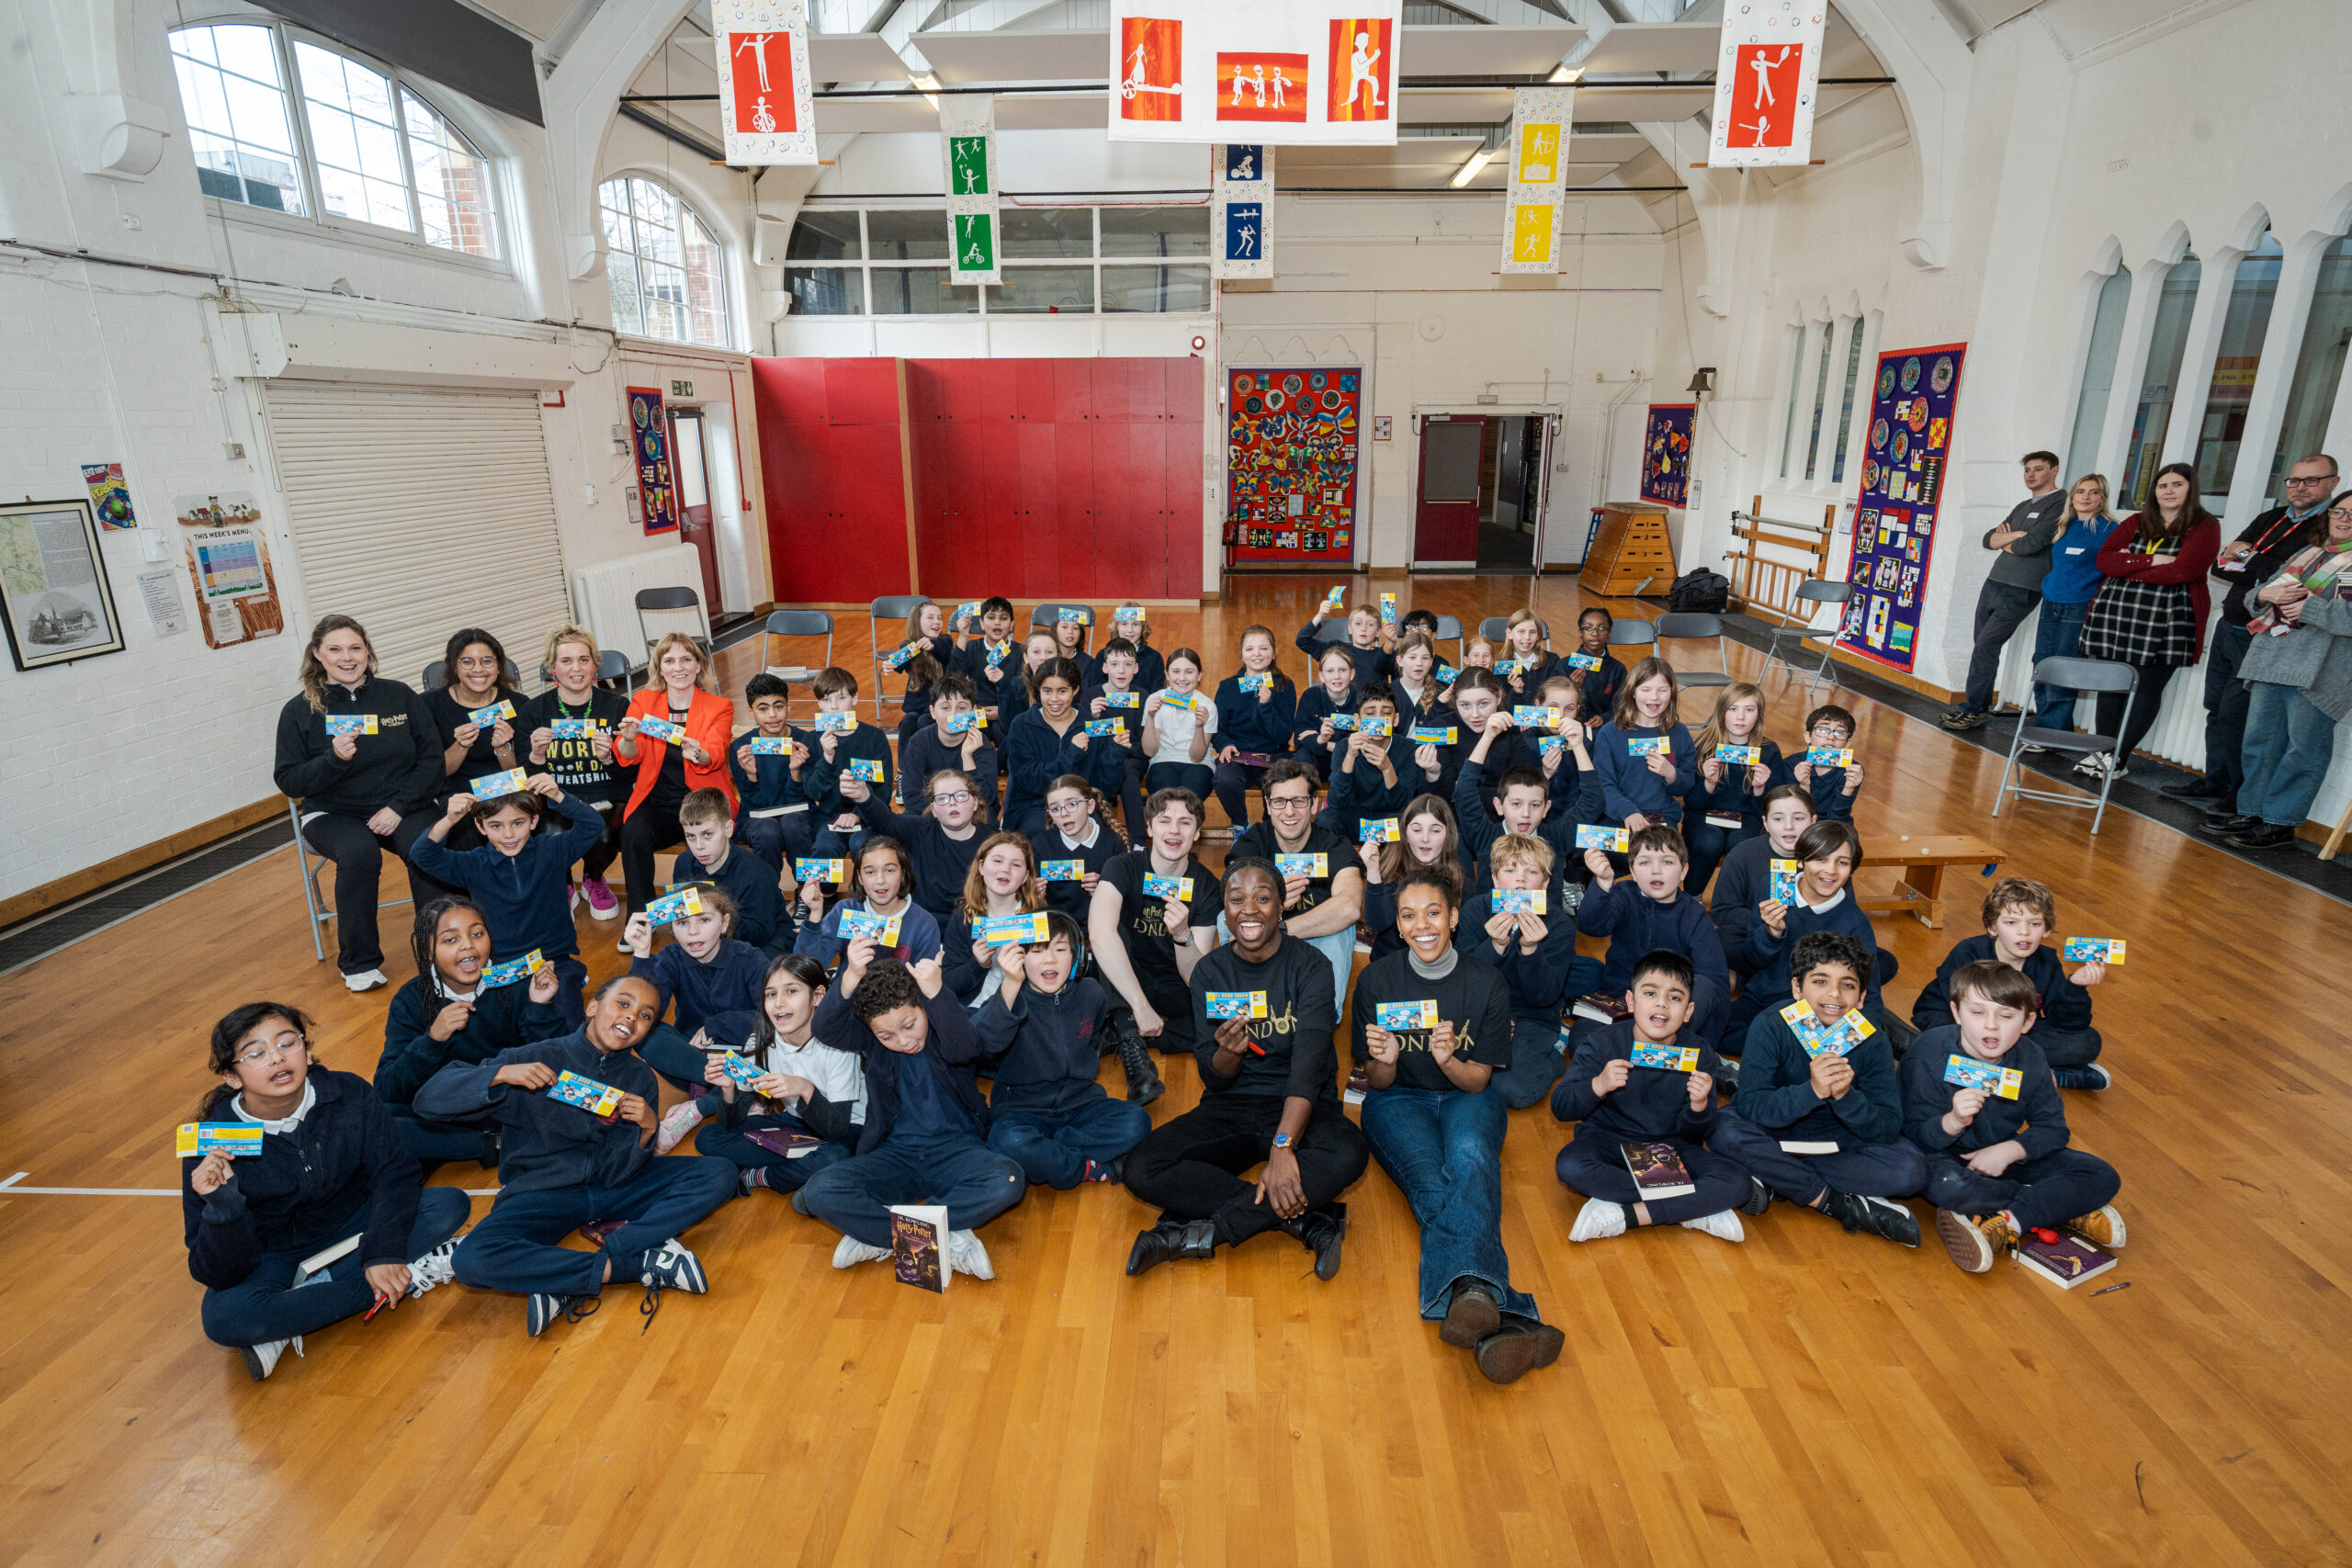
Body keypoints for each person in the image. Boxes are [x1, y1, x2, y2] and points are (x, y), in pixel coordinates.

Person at [417, 975, 734, 1334]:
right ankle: (633, 1265)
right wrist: (500, 1075)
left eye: (646, 1016)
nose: (632, 1018)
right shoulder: (534, 1058)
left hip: (611, 1189)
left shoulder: (638, 1079)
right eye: (624, 1004)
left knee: (718, 1171)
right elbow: (428, 1102)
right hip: (542, 1194)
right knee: (471, 1260)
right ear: (593, 1007)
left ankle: (575, 1270)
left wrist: (648, 1131)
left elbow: (619, 1172)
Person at [1354, 867, 1565, 1383]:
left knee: (1470, 1161)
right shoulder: (1377, 980)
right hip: (1397, 1099)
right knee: (1433, 1183)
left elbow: (1476, 1082)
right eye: (1408, 915)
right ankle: (1503, 1308)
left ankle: (1474, 1300)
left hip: (1466, 1092)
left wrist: (1448, 1061)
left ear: (1453, 917)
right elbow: (1378, 1083)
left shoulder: (1485, 981)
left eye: (1433, 913)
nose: (1422, 925)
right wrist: (1386, 1059)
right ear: (1397, 925)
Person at [184, 1002, 469, 1380]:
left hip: (355, 1224)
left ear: (306, 1049)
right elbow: (214, 1271)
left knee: (448, 1204)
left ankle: (290, 1316)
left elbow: (394, 1172)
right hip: (272, 1252)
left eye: (288, 1043)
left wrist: (382, 1249)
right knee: (224, 1318)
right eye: (256, 1054)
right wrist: (223, 1207)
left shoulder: (348, 1092)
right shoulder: (210, 1141)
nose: (277, 1059)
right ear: (232, 1077)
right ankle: (406, 1274)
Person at [1123, 859, 1370, 1278]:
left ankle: (1188, 1237)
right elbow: (1213, 1075)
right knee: (1141, 1167)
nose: (1249, 910)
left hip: (1303, 1105)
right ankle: (1304, 1220)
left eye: (1262, 898)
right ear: (1225, 909)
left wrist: (1283, 1146)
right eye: (1237, 900)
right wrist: (1228, 1054)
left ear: (1280, 907)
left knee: (1349, 1152)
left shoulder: (1312, 967)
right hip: (1232, 1105)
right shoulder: (1210, 971)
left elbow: (1310, 1068)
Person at [797, 957, 1028, 1280]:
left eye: (908, 1025)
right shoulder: (871, 1042)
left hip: (957, 1152)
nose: (903, 1041)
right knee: (819, 1190)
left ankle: (882, 1234)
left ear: (923, 1007)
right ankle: (947, 1235)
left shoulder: (945, 1027)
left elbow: (966, 1047)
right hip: (896, 1157)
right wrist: (849, 977)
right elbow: (825, 1027)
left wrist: (937, 993)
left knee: (1008, 1180)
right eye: (887, 1036)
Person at [1900, 962, 2124, 1274]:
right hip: (1943, 1157)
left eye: (2006, 1016)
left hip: (2004, 1157)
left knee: (2102, 1174)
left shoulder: (2030, 1056)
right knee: (1947, 1185)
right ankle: (2055, 1206)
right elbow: (1912, 1134)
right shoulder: (1928, 1052)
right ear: (1956, 1013)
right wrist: (1952, 1120)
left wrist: (2010, 1150)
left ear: (2028, 1021)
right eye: (1977, 1013)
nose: (1991, 1026)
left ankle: (2011, 1220)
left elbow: (2053, 1129)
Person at [1710, 931, 1924, 1246]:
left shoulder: (1873, 1041)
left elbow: (1888, 1126)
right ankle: (1833, 1201)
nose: (1834, 994)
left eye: (1847, 985)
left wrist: (1844, 1096)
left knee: (1912, 1170)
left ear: (1862, 997)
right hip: (1776, 1134)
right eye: (1820, 981)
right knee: (1721, 1129)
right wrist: (1811, 1091)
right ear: (1797, 987)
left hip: (1838, 1145)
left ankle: (1777, 1179)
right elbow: (1753, 1106)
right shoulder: (1771, 1024)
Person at [272, 615, 447, 990]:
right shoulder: (300, 710)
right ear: (318, 654)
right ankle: (360, 963)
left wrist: (398, 806)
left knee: (427, 847)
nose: (347, 658)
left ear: (367, 650)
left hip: (402, 804)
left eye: (355, 648)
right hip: (334, 813)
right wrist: (333, 759)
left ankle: (443, 952)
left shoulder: (398, 695)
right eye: (334, 649)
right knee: (359, 853)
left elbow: (432, 761)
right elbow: (289, 780)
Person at [2167, 453, 2340, 805]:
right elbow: (2220, 566)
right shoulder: (2271, 518)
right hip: (2230, 623)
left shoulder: (2324, 529)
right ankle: (2216, 780)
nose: (2300, 488)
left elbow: (2288, 579)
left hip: (2262, 634)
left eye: (2312, 480)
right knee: (2216, 706)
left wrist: (2248, 558)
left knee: (2239, 715)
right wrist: (2254, 564)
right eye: (2294, 480)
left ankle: (2237, 794)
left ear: (2332, 484)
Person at [1550, 951, 1750, 1243]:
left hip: (1671, 1147)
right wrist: (1598, 1084)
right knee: (1570, 1165)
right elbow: (1560, 1106)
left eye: (1675, 997)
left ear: (1689, 1011)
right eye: (1650, 993)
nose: (1661, 1003)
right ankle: (1694, 1207)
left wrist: (1699, 1106)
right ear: (1631, 1001)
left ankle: (1628, 1213)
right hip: (1609, 1143)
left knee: (1739, 1182)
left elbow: (1697, 1134)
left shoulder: (1699, 1053)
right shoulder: (1602, 1043)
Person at [2208, 488, 2352, 851]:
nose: (2345, 518)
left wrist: (2309, 609)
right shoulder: (2308, 552)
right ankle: (2252, 811)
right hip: (2273, 658)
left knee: (2302, 751)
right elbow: (2258, 598)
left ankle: (2280, 822)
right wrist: (2262, 596)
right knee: (2259, 743)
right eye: (2340, 511)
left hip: (2320, 670)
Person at [379, 897, 569, 1164]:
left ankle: (477, 1144)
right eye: (450, 940)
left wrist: (540, 1005)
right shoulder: (411, 999)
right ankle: (496, 1145)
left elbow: (560, 1062)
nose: (468, 945)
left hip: (509, 1102)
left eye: (477, 934)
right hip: (447, 1108)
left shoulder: (517, 982)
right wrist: (433, 1039)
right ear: (427, 950)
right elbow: (388, 1087)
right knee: (375, 1116)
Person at [974, 911, 1153, 1188]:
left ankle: (1051, 1152)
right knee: (1009, 1140)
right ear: (1020, 958)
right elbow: (983, 1044)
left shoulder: (1092, 993)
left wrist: (1046, 1148)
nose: (1050, 959)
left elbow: (1092, 1035)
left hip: (1081, 1103)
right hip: (1022, 1109)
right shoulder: (1010, 998)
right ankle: (1086, 1168)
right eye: (1037, 951)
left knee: (1136, 1121)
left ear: (1077, 958)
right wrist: (1010, 984)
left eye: (1061, 949)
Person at [408, 774, 608, 1022]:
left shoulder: (553, 851)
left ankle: (573, 981)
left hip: (553, 960)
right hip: (499, 967)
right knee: (501, 1031)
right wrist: (449, 819)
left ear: (534, 820)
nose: (509, 835)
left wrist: (557, 795)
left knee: (566, 1024)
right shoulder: (474, 864)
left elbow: (592, 824)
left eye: (518, 823)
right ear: (480, 826)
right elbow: (422, 854)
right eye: (496, 826)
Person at [2075, 461, 2223, 782]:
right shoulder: (2136, 521)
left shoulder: (2205, 526)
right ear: (2154, 492)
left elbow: (2184, 571)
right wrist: (2151, 559)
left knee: (2146, 687)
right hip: (2117, 615)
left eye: (2177, 485)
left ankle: (2118, 756)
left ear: (2190, 489)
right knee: (2112, 685)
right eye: (2162, 486)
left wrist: (2129, 566)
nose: (2168, 491)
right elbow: (2105, 561)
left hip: (2167, 618)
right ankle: (2101, 750)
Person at [693, 953, 865, 1197]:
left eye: (791, 991)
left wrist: (806, 1089)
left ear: (818, 996)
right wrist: (729, 1089)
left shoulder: (837, 1045)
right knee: (708, 1136)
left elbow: (836, 1129)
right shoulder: (759, 1040)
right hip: (797, 1124)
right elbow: (731, 1121)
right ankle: (803, 1168)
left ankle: (763, 1176)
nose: (779, 1003)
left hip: (848, 1126)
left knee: (836, 1155)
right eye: (771, 994)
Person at [1910, 877, 2109, 1088]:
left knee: (2088, 1040)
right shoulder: (1968, 952)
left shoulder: (2046, 961)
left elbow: (2068, 1024)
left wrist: (2075, 987)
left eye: (2034, 924)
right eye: (2011, 923)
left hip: (2009, 1030)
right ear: (1993, 927)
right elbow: (1956, 1009)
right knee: (1942, 1042)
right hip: (1956, 1021)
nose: (2024, 932)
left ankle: (2000, 1073)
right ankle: (2037, 1075)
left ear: (2047, 930)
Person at [1460, 834, 1595, 1110]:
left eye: (1531, 872)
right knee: (1450, 1072)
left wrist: (1530, 951)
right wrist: (1495, 946)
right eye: (1510, 870)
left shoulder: (1558, 925)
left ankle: (1555, 1052)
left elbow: (1543, 997)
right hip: (1481, 1011)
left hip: (1532, 1016)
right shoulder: (1474, 911)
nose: (1520, 880)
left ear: (1545, 884)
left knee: (1511, 1090)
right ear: (1496, 880)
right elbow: (1465, 983)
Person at [615, 633, 738, 927]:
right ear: (659, 668)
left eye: (686, 659)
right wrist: (629, 739)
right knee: (633, 831)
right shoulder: (644, 701)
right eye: (669, 660)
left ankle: (712, 916)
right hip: (658, 804)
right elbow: (628, 755)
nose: (678, 667)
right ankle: (639, 920)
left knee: (704, 840)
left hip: (702, 802)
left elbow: (716, 753)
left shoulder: (719, 706)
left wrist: (698, 754)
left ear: (698, 666)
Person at [1727, 818, 1883, 1049]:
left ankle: (1782, 1049)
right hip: (1765, 997)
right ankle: (1784, 1048)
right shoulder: (1774, 889)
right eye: (1820, 859)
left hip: (1818, 1008)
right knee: (1720, 1031)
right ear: (1800, 860)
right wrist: (1772, 932)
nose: (1830, 870)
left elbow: (1869, 990)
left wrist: (1869, 1033)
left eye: (1842, 862)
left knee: (1834, 1044)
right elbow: (1754, 957)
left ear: (1851, 869)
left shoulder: (1854, 922)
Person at [1091, 787, 1221, 1056]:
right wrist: (1140, 1005)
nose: (1174, 831)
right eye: (1164, 821)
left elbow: (1197, 979)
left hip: (1174, 983)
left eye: (1185, 823)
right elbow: (1099, 933)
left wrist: (1183, 935)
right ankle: (1131, 1022)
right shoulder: (1121, 866)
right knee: (1108, 940)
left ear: (1196, 833)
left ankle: (1129, 1033)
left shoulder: (1207, 885)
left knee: (1221, 1021)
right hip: (1125, 975)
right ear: (1149, 828)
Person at [1944, 450, 2068, 731]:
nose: (2031, 475)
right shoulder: (2024, 505)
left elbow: (2032, 544)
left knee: (1987, 645)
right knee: (1982, 647)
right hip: (1995, 581)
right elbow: (1989, 539)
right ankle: (1978, 707)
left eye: (2038, 469)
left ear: (2054, 470)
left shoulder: (2061, 503)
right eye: (2027, 470)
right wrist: (2014, 535)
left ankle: (1975, 709)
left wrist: (2010, 540)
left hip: (2022, 588)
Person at [1576, 826, 1730, 1050]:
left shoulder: (1694, 915)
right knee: (1582, 1040)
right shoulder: (1624, 894)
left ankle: (1662, 1053)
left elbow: (1715, 983)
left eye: (1667, 862)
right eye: (1645, 863)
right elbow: (1591, 926)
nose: (1656, 871)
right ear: (1633, 870)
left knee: (1705, 987)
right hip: (1622, 999)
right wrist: (1603, 883)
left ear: (1684, 871)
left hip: (1668, 1010)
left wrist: (1705, 1051)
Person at [1227, 760, 1363, 1011]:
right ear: (1268, 804)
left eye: (1299, 801)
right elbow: (1234, 898)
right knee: (1225, 920)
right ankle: (1247, 1014)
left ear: (1313, 804)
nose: (1289, 812)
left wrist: (1279, 928)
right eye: (1279, 801)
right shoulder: (1252, 842)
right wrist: (1274, 903)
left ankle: (1319, 1019)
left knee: (1342, 930)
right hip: (1261, 940)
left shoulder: (1334, 845)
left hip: (1313, 938)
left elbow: (1350, 907)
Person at [623, 883, 767, 1111]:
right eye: (682, 922)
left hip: (745, 1056)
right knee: (639, 1029)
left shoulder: (749, 958)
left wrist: (717, 1025)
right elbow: (641, 1012)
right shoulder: (670, 957)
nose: (693, 931)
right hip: (693, 1063)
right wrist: (641, 953)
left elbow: (772, 1018)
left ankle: (715, 1097)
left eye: (704, 920)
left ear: (724, 923)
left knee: (774, 1041)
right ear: (671, 925)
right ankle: (731, 1091)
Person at [523, 624, 630, 920]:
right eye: (566, 661)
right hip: (554, 797)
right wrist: (536, 755)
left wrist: (609, 758)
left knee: (605, 825)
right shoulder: (534, 711)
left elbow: (631, 774)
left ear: (595, 664)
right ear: (552, 667)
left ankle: (594, 878)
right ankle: (563, 883)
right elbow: (524, 776)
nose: (576, 668)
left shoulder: (617, 706)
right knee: (549, 827)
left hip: (606, 796)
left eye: (584, 659)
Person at [2021, 476, 2122, 741]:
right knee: (2042, 664)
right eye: (2080, 491)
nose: (2086, 497)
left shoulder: (2111, 529)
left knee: (2066, 669)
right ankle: (2053, 729)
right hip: (2051, 602)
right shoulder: (2063, 525)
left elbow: (2116, 569)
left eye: (2093, 492)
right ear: (2072, 496)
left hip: (2080, 606)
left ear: (2103, 498)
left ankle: (2050, 733)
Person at [842, 765, 988, 921]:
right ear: (934, 809)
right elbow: (886, 822)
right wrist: (864, 796)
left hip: (970, 925)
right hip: (923, 924)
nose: (952, 803)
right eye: (943, 798)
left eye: (960, 795)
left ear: (975, 803)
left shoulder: (991, 841)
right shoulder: (920, 829)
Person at [424, 627, 526, 838]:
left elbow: (522, 775)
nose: (478, 669)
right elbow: (434, 772)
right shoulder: (429, 705)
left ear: (498, 665)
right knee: (468, 828)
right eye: (467, 662)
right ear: (454, 666)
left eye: (487, 661)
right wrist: (460, 745)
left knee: (519, 822)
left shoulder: (519, 705)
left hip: (506, 789)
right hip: (457, 792)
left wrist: (503, 749)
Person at [1004, 657, 1125, 835]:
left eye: (1062, 691)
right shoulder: (1022, 724)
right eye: (1047, 691)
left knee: (1094, 830)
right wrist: (1071, 755)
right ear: (1038, 690)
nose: (1054, 699)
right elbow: (1030, 780)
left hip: (1079, 806)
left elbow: (1106, 787)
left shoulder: (1091, 725)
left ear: (1075, 690)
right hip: (1033, 805)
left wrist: (1115, 752)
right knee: (1042, 831)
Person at [1679, 682, 1781, 893]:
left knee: (1743, 845)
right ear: (1721, 712)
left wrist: (1759, 789)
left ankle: (1731, 901)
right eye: (1733, 709)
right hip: (1703, 815)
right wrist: (1709, 783)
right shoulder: (1704, 746)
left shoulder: (1768, 751)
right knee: (1709, 841)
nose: (1740, 717)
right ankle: (1693, 897)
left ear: (1759, 715)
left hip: (1748, 817)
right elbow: (1690, 802)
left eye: (1749, 710)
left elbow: (1772, 809)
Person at [1709, 785, 1815, 987]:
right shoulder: (1743, 854)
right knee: (1721, 940)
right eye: (1778, 819)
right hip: (1758, 939)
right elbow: (1723, 911)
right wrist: (1767, 923)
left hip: (1808, 943)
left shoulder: (1826, 858)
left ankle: (1755, 982)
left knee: (1881, 961)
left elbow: (1844, 910)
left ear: (1814, 821)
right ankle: (1795, 983)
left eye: (1799, 818)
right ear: (1765, 823)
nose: (1789, 827)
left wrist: (1795, 926)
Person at [794, 836, 945, 972]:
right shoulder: (844, 911)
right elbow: (808, 971)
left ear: (903, 873)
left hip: (903, 1001)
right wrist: (814, 915)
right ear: (859, 877)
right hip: (848, 998)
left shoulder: (924, 923)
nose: (880, 880)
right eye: (870, 872)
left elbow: (925, 985)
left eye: (890, 870)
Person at [671, 786, 789, 953]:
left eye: (707, 834)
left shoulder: (757, 873)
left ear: (728, 829)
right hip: (711, 942)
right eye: (691, 836)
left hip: (764, 944)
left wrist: (716, 918)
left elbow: (760, 934)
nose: (698, 846)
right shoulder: (683, 863)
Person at [942, 830, 1047, 1006]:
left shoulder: (1038, 917)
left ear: (1025, 877)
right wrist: (978, 964)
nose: (1005, 869)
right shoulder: (964, 917)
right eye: (997, 861)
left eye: (1016, 865)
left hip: (1026, 1008)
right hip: (975, 1009)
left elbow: (1050, 976)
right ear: (981, 867)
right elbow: (949, 984)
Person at [1591, 658, 1696, 835]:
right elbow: (1603, 785)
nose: (1654, 697)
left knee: (1659, 855)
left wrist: (1671, 774)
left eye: (1662, 690)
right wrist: (1628, 811)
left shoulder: (1679, 733)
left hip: (1661, 816)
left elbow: (1686, 786)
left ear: (1671, 693)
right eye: (1645, 690)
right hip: (1618, 816)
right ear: (1632, 692)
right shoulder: (1610, 733)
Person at [1211, 626, 1299, 830]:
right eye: (1249, 649)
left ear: (1274, 652)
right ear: (1241, 653)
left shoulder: (1285, 685)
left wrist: (1267, 706)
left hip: (1273, 754)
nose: (1256, 654)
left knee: (1284, 782)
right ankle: (1240, 825)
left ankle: (1271, 828)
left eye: (1263, 648)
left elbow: (1284, 734)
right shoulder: (1227, 687)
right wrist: (1225, 745)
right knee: (1224, 779)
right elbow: (1218, 729)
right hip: (1238, 755)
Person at [728, 672, 816, 872]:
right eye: (763, 709)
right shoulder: (742, 747)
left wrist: (795, 773)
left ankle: (807, 889)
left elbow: (807, 798)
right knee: (767, 830)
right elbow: (754, 804)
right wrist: (751, 776)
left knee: (793, 824)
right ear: (751, 712)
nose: (772, 715)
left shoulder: (805, 742)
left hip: (798, 813)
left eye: (778, 706)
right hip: (756, 816)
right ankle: (768, 893)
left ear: (788, 706)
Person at [1357, 794, 1461, 963]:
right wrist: (1373, 871)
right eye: (1417, 830)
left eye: (1435, 830)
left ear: (1448, 835)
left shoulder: (1461, 880)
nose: (1425, 838)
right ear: (1405, 834)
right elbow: (1378, 923)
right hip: (1391, 967)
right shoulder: (1392, 875)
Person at [897, 672, 999, 818]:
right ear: (933, 712)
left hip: (974, 818)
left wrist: (967, 757)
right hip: (930, 816)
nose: (953, 715)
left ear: (974, 711)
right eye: (945, 708)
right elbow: (912, 797)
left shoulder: (982, 744)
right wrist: (944, 817)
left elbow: (985, 798)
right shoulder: (919, 742)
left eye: (961, 708)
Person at [1323, 682, 1413, 841]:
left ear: (1396, 719)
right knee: (1326, 819)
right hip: (1355, 819)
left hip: (1389, 820)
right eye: (1370, 714)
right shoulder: (1344, 747)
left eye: (1386, 713)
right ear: (1357, 720)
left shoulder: (1408, 748)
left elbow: (1403, 806)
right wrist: (1350, 756)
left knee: (1411, 824)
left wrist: (1387, 769)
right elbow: (1336, 802)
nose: (1378, 720)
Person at [1081, 637, 1151, 840]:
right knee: (1097, 771)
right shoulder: (1091, 696)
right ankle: (1098, 836)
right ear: (1105, 668)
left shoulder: (1143, 696)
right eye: (1114, 664)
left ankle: (1138, 840)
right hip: (1099, 759)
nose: (1121, 671)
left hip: (1132, 759)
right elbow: (1082, 740)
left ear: (1136, 668)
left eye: (1127, 665)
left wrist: (1123, 747)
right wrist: (1090, 717)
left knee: (1126, 770)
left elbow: (1144, 745)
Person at [1141, 647, 1216, 803]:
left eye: (1189, 672)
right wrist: (1150, 716)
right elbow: (1149, 751)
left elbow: (1197, 758)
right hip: (1162, 760)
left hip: (1199, 764)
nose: (1182, 678)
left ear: (1200, 675)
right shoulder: (1155, 700)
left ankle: (1190, 826)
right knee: (1165, 798)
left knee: (1190, 799)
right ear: (1167, 674)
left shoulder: (1207, 706)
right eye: (1175, 671)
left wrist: (1199, 726)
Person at [1294, 644, 1360, 786]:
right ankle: (1305, 801)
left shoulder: (1361, 699)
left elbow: (1359, 746)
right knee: (1302, 757)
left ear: (1352, 674)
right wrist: (1320, 738)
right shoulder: (1311, 696)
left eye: (1342, 670)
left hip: (1350, 762)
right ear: (1322, 676)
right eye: (1330, 671)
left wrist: (1323, 742)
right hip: (1319, 762)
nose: (1336, 676)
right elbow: (1299, 741)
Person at [1788, 704, 1864, 823]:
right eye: (1823, 730)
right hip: (1796, 821)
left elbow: (1838, 819)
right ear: (1808, 737)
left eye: (1840, 733)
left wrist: (1849, 788)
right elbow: (1795, 815)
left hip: (1834, 825)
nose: (1831, 737)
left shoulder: (1852, 771)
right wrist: (1804, 786)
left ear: (1848, 743)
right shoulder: (1792, 764)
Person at [1298, 601, 1388, 687]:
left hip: (1374, 701)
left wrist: (1391, 642)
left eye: (1370, 625)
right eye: (1358, 623)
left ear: (1378, 631)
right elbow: (1302, 641)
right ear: (1349, 629)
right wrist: (1320, 615)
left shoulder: (1384, 655)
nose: (1363, 628)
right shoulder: (1337, 649)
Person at [1566, 607, 1624, 719]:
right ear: (1580, 633)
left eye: (1602, 628)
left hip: (1605, 726)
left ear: (1609, 634)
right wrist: (1573, 688)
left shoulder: (1618, 669)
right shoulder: (1564, 665)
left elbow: (1621, 704)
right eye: (1588, 628)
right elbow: (1554, 704)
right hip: (1571, 724)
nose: (1595, 633)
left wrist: (1605, 718)